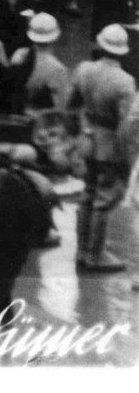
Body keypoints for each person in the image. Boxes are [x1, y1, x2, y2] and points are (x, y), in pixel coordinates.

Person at [70, 24, 134, 274]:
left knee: (87, 194)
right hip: (110, 144)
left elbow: (71, 104)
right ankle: (96, 254)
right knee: (104, 199)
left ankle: (82, 250)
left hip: (88, 139)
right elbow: (125, 125)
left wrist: (83, 131)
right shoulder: (125, 82)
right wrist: (127, 156)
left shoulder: (84, 69)